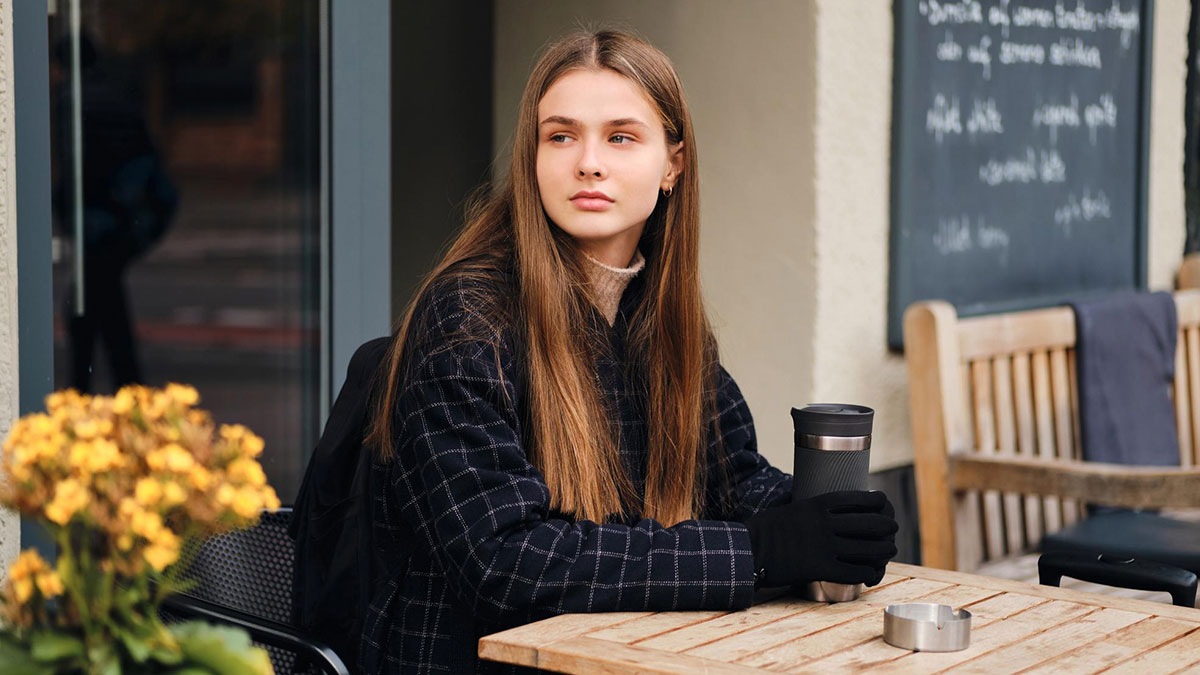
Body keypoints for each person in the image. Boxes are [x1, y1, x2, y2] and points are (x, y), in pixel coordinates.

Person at [358, 29, 897, 674]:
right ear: (533, 158)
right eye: (560, 136)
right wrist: (759, 551)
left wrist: (828, 521)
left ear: (672, 164)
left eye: (620, 136)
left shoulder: (663, 320)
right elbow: (507, 559)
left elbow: (732, 480)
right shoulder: (468, 319)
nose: (588, 162)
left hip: (620, 655)